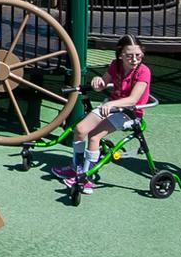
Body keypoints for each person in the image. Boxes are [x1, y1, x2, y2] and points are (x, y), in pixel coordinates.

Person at [52, 35, 152, 192]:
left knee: (94, 136)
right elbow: (102, 85)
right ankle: (77, 167)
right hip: (111, 106)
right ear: (120, 55)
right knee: (79, 130)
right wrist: (98, 80)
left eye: (138, 55)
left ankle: (86, 178)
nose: (134, 59)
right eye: (129, 56)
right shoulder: (115, 65)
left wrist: (112, 103)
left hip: (129, 113)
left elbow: (133, 100)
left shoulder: (143, 71)